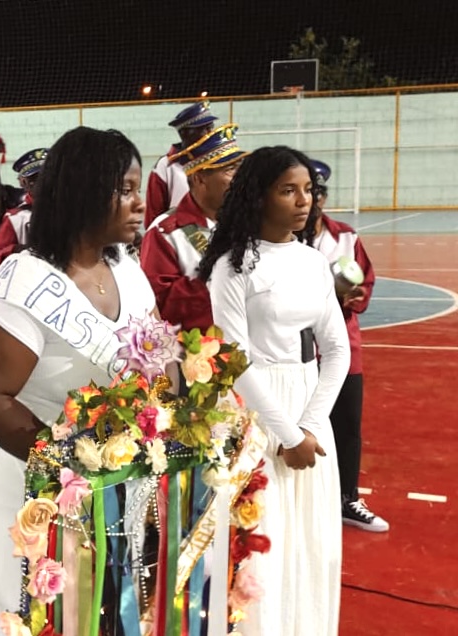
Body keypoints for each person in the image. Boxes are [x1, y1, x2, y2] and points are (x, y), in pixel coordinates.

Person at [0, 128, 154, 633]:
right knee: (37, 609)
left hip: (110, 473)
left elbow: (156, 358)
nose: (140, 203)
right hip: (33, 477)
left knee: (96, 607)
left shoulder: (126, 267)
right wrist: (68, 467)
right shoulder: (24, 277)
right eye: (127, 190)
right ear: (86, 191)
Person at [198, 146, 347, 636]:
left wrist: (308, 426)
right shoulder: (231, 268)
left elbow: (335, 350)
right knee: (260, 542)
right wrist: (285, 435)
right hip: (254, 416)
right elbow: (236, 362)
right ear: (259, 197)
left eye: (308, 190)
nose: (304, 201)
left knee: (311, 541)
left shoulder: (312, 262)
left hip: (307, 409)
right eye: (288, 190)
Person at [302, 159, 387, 532]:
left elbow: (365, 281)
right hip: (298, 349)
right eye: (303, 191)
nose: (311, 200)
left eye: (317, 192)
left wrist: (355, 298)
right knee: (298, 423)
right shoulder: (283, 238)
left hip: (342, 346)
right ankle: (303, 502)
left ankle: (347, 498)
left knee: (347, 424)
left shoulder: (346, 237)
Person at [140, 124, 245, 332]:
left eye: (240, 168)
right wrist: (217, 282)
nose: (239, 179)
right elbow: (157, 305)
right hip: (200, 356)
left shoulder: (252, 224)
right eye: (229, 170)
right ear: (200, 178)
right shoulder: (166, 233)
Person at [144, 102, 218, 228]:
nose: (210, 133)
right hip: (180, 240)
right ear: (184, 133)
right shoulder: (165, 166)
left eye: (211, 127)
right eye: (204, 129)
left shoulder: (218, 162)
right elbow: (153, 216)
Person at [0, 147, 45, 273]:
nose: (44, 183)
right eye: (36, 179)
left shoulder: (68, 212)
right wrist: (14, 250)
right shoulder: (16, 218)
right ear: (24, 183)